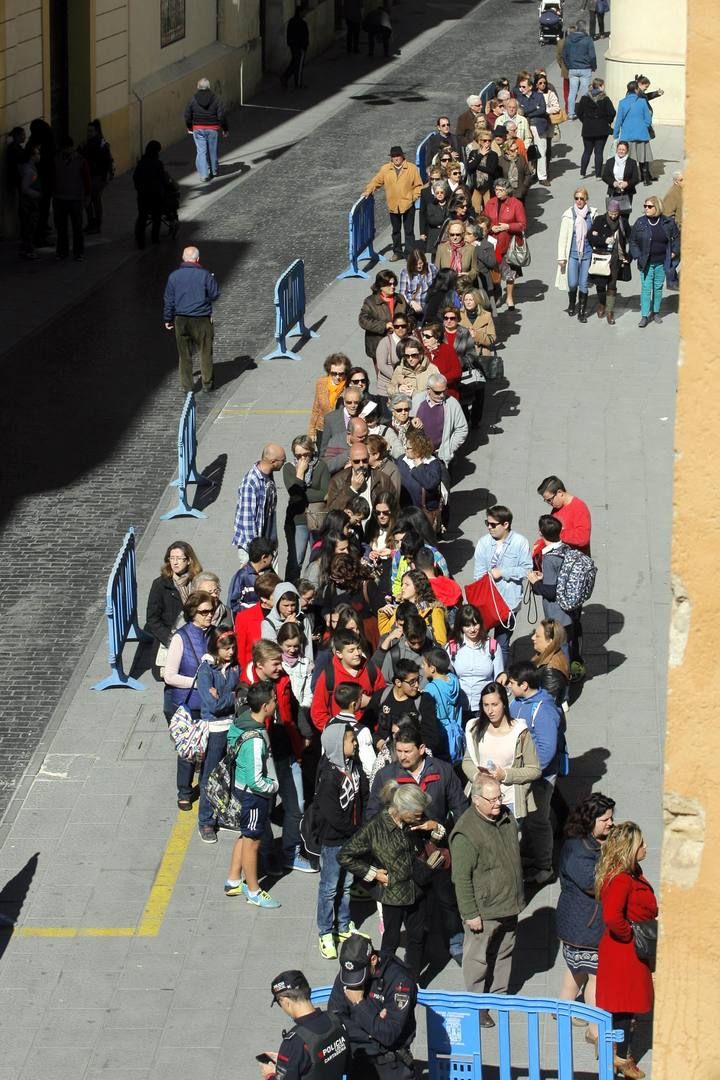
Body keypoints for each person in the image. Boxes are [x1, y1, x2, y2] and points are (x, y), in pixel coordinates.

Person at [339, 778, 442, 976]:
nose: (419, 818)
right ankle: (386, 978)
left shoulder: (417, 820)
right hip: (393, 894)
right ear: (403, 810)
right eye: (417, 815)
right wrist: (373, 874)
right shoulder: (376, 827)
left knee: (417, 936)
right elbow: (345, 855)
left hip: (419, 886)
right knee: (391, 940)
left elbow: (435, 839)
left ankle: (411, 979)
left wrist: (433, 827)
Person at [450, 773, 524, 1025]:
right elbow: (461, 879)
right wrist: (470, 913)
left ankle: (499, 997)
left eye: (500, 797)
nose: (498, 803)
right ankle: (477, 1004)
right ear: (476, 799)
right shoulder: (465, 833)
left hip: (509, 903)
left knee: (505, 951)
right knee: (477, 958)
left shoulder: (505, 817)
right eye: (492, 799)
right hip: (484, 909)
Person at [595, 822, 657, 1079]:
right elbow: (612, 916)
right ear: (629, 849)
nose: (646, 847)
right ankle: (620, 1058)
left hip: (625, 952)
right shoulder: (621, 879)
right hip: (624, 954)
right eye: (641, 843)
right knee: (623, 1007)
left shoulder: (627, 872)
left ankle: (613, 1050)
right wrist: (629, 934)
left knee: (623, 1007)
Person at [556, 792, 616, 1045]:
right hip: (585, 926)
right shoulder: (577, 850)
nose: (611, 824)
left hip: (580, 925)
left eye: (611, 818)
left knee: (575, 971)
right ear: (590, 821)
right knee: (596, 976)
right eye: (605, 819)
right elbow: (594, 884)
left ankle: (562, 1010)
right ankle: (594, 1029)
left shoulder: (594, 842)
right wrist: (618, 864)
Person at [224, 681, 282, 907]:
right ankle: (254, 890)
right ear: (266, 706)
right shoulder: (255, 741)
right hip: (253, 796)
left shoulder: (242, 719)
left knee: (244, 834)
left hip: (240, 789)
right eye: (274, 700)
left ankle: (232, 880)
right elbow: (256, 780)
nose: (276, 703)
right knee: (252, 841)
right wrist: (274, 787)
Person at [328, 933, 417, 1080]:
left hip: (391, 1063)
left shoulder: (399, 980)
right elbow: (335, 1018)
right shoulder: (349, 972)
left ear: (373, 960)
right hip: (358, 1056)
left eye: (359, 976)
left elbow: (389, 1035)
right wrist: (374, 1027)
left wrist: (359, 1004)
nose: (354, 983)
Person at [314, 722, 369, 958]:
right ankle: (326, 931)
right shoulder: (328, 776)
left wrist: (362, 824)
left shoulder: (354, 766)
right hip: (334, 840)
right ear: (337, 744)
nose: (354, 743)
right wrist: (355, 830)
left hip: (352, 836)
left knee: (346, 885)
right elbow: (332, 814)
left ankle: (344, 926)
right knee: (329, 888)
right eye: (350, 740)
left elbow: (364, 792)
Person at [507, 661, 563, 885]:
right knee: (528, 819)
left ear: (525, 685)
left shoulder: (544, 710)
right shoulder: (519, 701)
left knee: (539, 820)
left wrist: (527, 773)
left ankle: (545, 867)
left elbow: (546, 750)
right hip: (523, 772)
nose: (509, 687)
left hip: (539, 777)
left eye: (512, 683)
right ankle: (532, 855)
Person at [164, 591, 217, 810]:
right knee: (189, 750)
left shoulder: (215, 634)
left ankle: (207, 786)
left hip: (210, 703)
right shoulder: (180, 637)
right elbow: (170, 676)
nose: (209, 616)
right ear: (192, 613)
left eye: (211, 611)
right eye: (204, 612)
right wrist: (198, 683)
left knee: (209, 749)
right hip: (185, 704)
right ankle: (184, 791)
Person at [463, 682, 541, 825]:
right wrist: (478, 777)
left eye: (494, 704)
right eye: (485, 705)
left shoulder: (520, 732)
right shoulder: (475, 729)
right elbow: (467, 760)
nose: (490, 710)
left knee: (509, 845)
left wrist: (504, 775)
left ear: (504, 704)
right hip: (482, 801)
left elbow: (534, 770)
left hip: (509, 801)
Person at [262, 969, 350, 1080]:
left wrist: (270, 1075)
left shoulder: (295, 1042)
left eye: (280, 1003)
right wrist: (286, 1059)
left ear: (285, 1001)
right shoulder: (336, 1019)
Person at [195, 627, 240, 842]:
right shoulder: (206, 671)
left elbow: (242, 693)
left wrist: (226, 696)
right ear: (215, 648)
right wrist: (232, 697)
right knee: (210, 776)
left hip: (232, 726)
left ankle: (224, 815)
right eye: (226, 648)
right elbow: (212, 705)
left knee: (229, 774)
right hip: (214, 730)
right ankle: (205, 821)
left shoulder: (234, 667)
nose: (231, 652)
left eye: (232, 648)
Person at [473, 504, 532, 665]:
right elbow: (478, 574)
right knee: (479, 641)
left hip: (508, 603)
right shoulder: (484, 543)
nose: (489, 528)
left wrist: (503, 572)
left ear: (506, 524)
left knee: (502, 644)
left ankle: (501, 678)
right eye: (487, 523)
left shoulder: (520, 542)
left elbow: (526, 570)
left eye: (493, 524)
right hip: (487, 603)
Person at [163, 245, 221, 393]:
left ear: (183, 258)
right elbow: (215, 294)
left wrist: (168, 319)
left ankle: (187, 386)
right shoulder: (205, 275)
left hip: (181, 320)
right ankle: (207, 383)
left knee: (184, 355)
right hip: (201, 319)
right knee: (205, 351)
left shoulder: (173, 277)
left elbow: (169, 300)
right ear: (198, 259)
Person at [311, 628, 386, 731]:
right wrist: (335, 732)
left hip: (370, 731)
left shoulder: (370, 669)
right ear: (339, 653)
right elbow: (318, 712)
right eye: (351, 650)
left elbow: (385, 699)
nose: (357, 653)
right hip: (342, 735)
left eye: (358, 648)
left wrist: (371, 701)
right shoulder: (329, 675)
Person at [145, 541, 203, 673]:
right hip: (172, 639)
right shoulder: (160, 585)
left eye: (179, 559)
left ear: (189, 561)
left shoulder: (198, 582)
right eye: (172, 558)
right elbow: (152, 619)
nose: (175, 563)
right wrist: (170, 640)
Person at [363, 147, 423, 262]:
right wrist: (369, 190)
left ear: (403, 156)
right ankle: (397, 252)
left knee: (409, 231)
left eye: (398, 156)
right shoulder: (385, 169)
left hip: (408, 205)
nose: (396, 158)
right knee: (396, 231)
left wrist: (413, 197)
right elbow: (376, 181)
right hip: (393, 205)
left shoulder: (411, 168)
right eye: (393, 156)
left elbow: (418, 185)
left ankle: (409, 253)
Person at [283, 435, 331, 582]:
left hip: (317, 518)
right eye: (298, 455)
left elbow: (324, 493)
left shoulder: (321, 466)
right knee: (296, 559)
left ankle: (314, 590)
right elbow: (295, 494)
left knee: (317, 559)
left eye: (306, 455)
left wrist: (301, 491)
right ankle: (290, 589)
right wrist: (300, 473)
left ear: (312, 452)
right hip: (298, 520)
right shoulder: (289, 468)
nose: (303, 459)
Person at [629, 195, 681, 328]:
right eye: (645, 206)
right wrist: (638, 255)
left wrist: (674, 252)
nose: (646, 208)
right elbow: (632, 241)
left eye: (649, 206)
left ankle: (656, 312)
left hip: (662, 262)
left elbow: (676, 238)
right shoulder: (640, 222)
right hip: (646, 262)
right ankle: (645, 316)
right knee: (646, 289)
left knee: (657, 288)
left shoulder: (668, 222)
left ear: (656, 207)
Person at [232, 445, 287, 565]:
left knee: (271, 583)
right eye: (283, 460)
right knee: (255, 584)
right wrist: (256, 555)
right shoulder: (251, 483)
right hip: (255, 551)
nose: (284, 463)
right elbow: (247, 522)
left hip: (268, 544)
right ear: (273, 461)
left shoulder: (267, 475)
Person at [448, 606, 505, 720]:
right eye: (467, 625)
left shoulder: (492, 646)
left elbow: (499, 678)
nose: (472, 629)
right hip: (459, 708)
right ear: (461, 626)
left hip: (485, 709)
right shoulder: (452, 647)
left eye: (475, 624)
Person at [484, 178, 527, 310]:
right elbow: (484, 220)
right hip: (493, 243)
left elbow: (522, 224)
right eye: (496, 189)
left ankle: (509, 297)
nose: (498, 192)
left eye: (501, 190)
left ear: (507, 191)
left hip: (509, 244)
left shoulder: (516, 204)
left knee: (510, 273)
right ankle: (496, 295)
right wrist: (490, 227)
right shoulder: (490, 203)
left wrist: (507, 226)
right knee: (494, 272)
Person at [556, 188, 597, 322]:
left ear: (586, 200)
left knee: (583, 284)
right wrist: (561, 257)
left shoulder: (592, 214)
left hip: (587, 253)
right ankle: (572, 303)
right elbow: (563, 238)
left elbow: (596, 233)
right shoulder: (568, 215)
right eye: (576, 198)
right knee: (573, 283)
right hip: (572, 254)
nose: (579, 201)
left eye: (581, 198)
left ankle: (582, 312)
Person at [587, 198, 631, 324]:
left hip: (616, 258)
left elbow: (630, 236)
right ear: (607, 211)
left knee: (612, 285)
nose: (613, 216)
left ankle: (610, 310)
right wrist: (604, 240)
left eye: (615, 213)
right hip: (601, 257)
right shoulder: (599, 220)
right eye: (611, 213)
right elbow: (590, 237)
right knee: (600, 283)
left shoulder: (623, 222)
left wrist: (628, 255)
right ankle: (601, 303)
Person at [411, 374, 468, 469]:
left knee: (443, 482)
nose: (442, 395)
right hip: (418, 454)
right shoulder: (417, 400)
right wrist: (412, 419)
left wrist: (448, 449)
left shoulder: (452, 404)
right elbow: (407, 421)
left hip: (439, 455)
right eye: (437, 392)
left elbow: (462, 429)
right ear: (428, 389)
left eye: (444, 391)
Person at [379, 570, 448, 645]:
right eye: (402, 584)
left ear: (418, 586)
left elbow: (440, 643)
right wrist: (384, 615)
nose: (402, 588)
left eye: (407, 585)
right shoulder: (400, 609)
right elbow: (385, 635)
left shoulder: (433, 611)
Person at [421, 647, 464, 766]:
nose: (422, 667)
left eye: (424, 664)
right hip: (456, 730)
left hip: (441, 734)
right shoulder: (454, 679)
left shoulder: (431, 689)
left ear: (433, 669)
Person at [359, 270, 410, 363]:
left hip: (400, 344)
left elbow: (411, 315)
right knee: (383, 374)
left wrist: (404, 326)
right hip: (379, 345)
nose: (393, 286)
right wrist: (384, 326)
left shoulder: (400, 299)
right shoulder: (370, 301)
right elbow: (363, 320)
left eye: (394, 283)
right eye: (389, 284)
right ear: (381, 286)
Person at [53, 136, 90, 262]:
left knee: (75, 228)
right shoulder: (57, 159)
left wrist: (87, 195)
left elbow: (86, 179)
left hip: (72, 198)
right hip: (63, 198)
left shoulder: (79, 160)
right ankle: (69, 252)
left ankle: (73, 252)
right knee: (64, 228)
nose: (66, 151)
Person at [184, 77, 228, 181]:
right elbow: (221, 115)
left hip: (198, 128)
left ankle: (204, 175)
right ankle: (214, 170)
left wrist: (190, 127)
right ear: (209, 87)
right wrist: (225, 129)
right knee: (213, 150)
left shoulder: (193, 99)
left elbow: (187, 115)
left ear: (198, 87)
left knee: (201, 151)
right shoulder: (216, 98)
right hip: (212, 128)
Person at [537, 475, 592, 553]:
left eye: (550, 500)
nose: (549, 503)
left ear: (560, 492)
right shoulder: (556, 509)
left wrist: (556, 533)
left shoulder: (579, 508)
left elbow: (583, 538)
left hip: (575, 561)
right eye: (546, 501)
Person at [613, 82, 653, 187]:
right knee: (643, 157)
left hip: (627, 134)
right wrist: (644, 126)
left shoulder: (622, 102)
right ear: (636, 89)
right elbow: (648, 119)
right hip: (641, 133)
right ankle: (645, 179)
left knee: (629, 158)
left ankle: (630, 179)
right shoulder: (642, 102)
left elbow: (619, 120)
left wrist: (616, 134)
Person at [133, 139, 171, 249]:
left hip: (143, 195)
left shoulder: (141, 163)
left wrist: (139, 188)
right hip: (155, 195)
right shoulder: (157, 163)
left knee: (142, 217)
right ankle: (155, 239)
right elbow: (163, 179)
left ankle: (141, 242)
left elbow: (135, 177)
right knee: (156, 217)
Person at [515, 71, 550, 187]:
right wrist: (535, 107)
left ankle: (542, 176)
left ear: (530, 87)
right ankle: (530, 173)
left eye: (523, 87)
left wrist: (529, 110)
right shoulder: (519, 98)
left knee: (542, 151)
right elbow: (521, 111)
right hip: (526, 126)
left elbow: (542, 110)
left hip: (539, 126)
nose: (521, 89)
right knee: (527, 151)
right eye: (520, 87)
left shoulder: (539, 96)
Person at [575, 78, 616, 179]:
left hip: (588, 128)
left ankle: (582, 173)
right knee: (599, 152)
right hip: (601, 129)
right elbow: (612, 112)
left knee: (587, 151)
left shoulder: (585, 98)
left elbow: (579, 112)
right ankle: (598, 175)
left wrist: (585, 121)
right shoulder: (605, 99)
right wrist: (608, 121)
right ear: (601, 86)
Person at [79, 119, 113, 234]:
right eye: (87, 131)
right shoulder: (98, 142)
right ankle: (95, 224)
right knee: (94, 200)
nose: (88, 133)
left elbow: (84, 156)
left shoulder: (95, 144)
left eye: (91, 131)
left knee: (91, 200)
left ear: (96, 131)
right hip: (95, 176)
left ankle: (93, 224)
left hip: (96, 176)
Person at [308, 354, 352, 441]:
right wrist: (311, 431)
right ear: (329, 371)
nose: (337, 377)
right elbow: (316, 408)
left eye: (341, 374)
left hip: (342, 431)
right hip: (322, 429)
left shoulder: (349, 386)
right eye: (334, 373)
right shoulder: (321, 383)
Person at [563, 20, 597, 119]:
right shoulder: (588, 39)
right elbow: (592, 56)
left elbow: (564, 55)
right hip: (585, 68)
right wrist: (593, 66)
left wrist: (569, 65)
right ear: (585, 28)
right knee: (585, 91)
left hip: (573, 68)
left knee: (572, 92)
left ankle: (570, 113)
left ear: (577, 27)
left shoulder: (568, 39)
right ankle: (585, 112)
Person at [531, 618, 570, 705]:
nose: (532, 638)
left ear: (550, 642)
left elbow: (546, 705)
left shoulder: (551, 672)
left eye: (537, 636)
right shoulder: (546, 653)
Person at [601, 141, 640, 220]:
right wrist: (613, 183)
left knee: (624, 215)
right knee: (613, 214)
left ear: (627, 151)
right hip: (613, 191)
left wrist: (627, 183)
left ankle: (624, 231)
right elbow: (605, 176)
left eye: (623, 149)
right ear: (616, 149)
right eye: (619, 149)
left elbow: (636, 178)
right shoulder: (610, 161)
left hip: (627, 192)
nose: (621, 151)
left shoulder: (632, 162)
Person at [17, 143, 42, 259]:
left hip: (28, 202)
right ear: (32, 156)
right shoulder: (29, 170)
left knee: (27, 227)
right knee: (30, 227)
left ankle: (26, 249)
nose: (39, 156)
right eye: (37, 153)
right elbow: (25, 188)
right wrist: (37, 194)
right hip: (29, 202)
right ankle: (29, 250)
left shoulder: (29, 167)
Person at [398, 250, 436, 318]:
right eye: (415, 264)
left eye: (420, 263)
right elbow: (402, 293)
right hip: (414, 309)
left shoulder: (431, 268)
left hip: (430, 307)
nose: (418, 266)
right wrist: (411, 302)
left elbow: (437, 286)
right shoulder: (405, 273)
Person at [281, 6, 310, 90]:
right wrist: (304, 47)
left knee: (294, 63)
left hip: (293, 47)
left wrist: (290, 44)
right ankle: (298, 83)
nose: (305, 13)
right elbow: (304, 37)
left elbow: (289, 35)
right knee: (299, 65)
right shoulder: (302, 23)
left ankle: (285, 77)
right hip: (299, 48)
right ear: (300, 12)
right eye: (304, 12)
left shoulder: (291, 21)